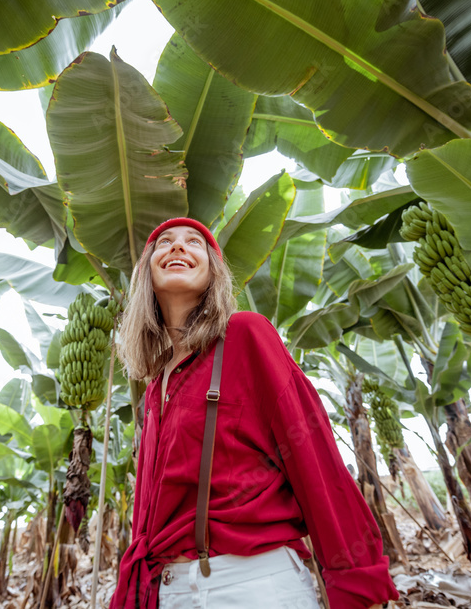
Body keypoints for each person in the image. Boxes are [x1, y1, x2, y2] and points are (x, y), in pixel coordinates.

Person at [110, 217, 399, 609]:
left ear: (214, 271)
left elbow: (314, 457)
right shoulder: (155, 385)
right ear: (145, 272)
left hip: (251, 583)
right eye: (164, 242)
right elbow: (147, 515)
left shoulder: (245, 335)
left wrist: (356, 581)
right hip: (169, 590)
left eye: (194, 242)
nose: (178, 247)